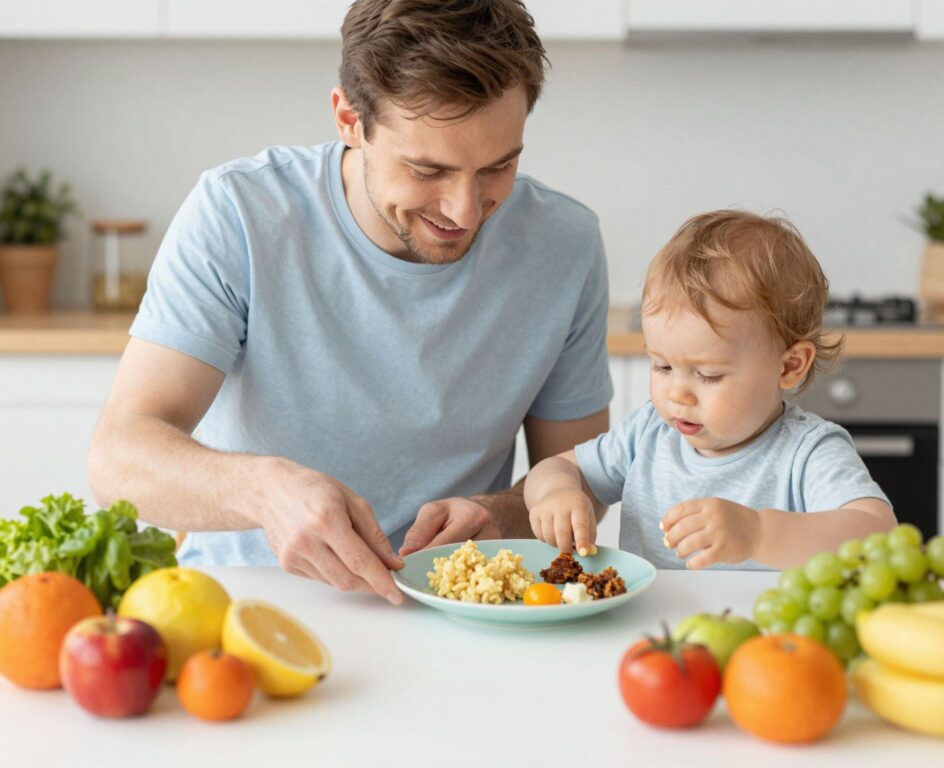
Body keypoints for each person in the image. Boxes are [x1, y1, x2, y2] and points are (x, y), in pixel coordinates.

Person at [88, 0, 613, 604]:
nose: (465, 211)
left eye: (499, 167)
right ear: (348, 118)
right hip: (251, 601)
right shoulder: (240, 214)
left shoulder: (563, 245)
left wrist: (506, 515)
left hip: (461, 609)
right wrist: (264, 490)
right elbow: (119, 455)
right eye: (426, 170)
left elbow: (583, 479)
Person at [524, 210, 897, 570]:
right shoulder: (648, 433)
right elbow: (556, 468)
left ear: (789, 367)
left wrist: (759, 533)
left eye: (709, 375)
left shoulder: (808, 451)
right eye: (663, 366)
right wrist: (555, 492)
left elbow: (878, 536)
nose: (678, 394)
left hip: (764, 633)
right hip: (655, 630)